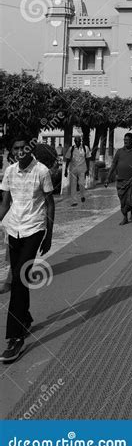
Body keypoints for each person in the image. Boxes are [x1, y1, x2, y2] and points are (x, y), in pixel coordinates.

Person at [0, 135, 55, 363]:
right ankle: (26, 317)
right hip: (14, 229)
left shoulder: (42, 171)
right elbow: (5, 201)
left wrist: (49, 234)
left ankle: (15, 338)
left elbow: (50, 202)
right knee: (19, 278)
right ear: (12, 151)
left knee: (20, 279)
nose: (20, 151)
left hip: (34, 229)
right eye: (16, 148)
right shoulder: (10, 171)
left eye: (24, 147)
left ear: (29, 149)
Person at [105, 133, 132, 226]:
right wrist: (108, 177)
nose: (126, 141)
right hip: (120, 180)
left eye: (128, 140)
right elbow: (114, 164)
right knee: (122, 199)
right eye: (125, 140)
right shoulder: (119, 151)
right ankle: (125, 217)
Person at [64, 135, 90, 207]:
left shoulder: (85, 148)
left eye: (79, 141)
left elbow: (88, 159)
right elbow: (68, 159)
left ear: (80, 141)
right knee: (73, 185)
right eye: (76, 141)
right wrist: (65, 170)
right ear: (74, 141)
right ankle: (74, 201)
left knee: (81, 184)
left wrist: (88, 169)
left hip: (82, 169)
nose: (77, 142)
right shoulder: (71, 149)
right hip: (73, 170)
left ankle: (82, 195)